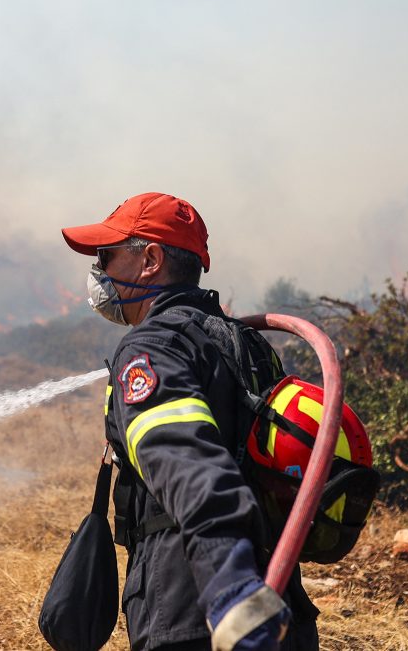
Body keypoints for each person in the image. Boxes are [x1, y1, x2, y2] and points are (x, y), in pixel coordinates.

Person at [61, 193, 319, 651]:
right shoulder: (246, 344)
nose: (98, 272)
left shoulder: (152, 349)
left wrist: (231, 589)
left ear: (150, 260)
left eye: (107, 256)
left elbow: (188, 463)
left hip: (200, 614)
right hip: (281, 614)